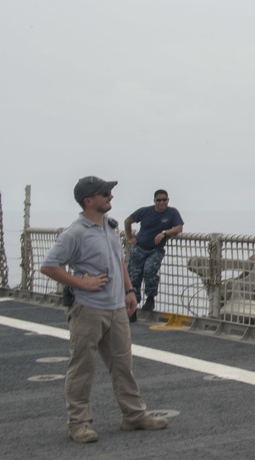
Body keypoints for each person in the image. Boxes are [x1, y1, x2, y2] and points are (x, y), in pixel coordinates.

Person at [40, 176, 169, 444]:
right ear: (89, 200)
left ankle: (133, 416)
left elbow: (120, 259)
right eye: (105, 193)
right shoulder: (75, 232)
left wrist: (130, 290)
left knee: (123, 365)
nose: (110, 196)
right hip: (88, 310)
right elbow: (49, 265)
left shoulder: (109, 227)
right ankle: (79, 424)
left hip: (116, 308)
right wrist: (81, 283)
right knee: (82, 368)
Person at [123, 189, 184, 321]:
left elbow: (179, 227)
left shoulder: (172, 212)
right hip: (139, 248)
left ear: (168, 200)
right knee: (134, 278)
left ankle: (150, 298)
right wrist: (129, 238)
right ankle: (132, 308)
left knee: (150, 270)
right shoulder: (145, 211)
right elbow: (128, 221)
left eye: (164, 200)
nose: (162, 202)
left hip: (155, 250)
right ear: (154, 201)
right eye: (159, 200)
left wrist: (165, 233)